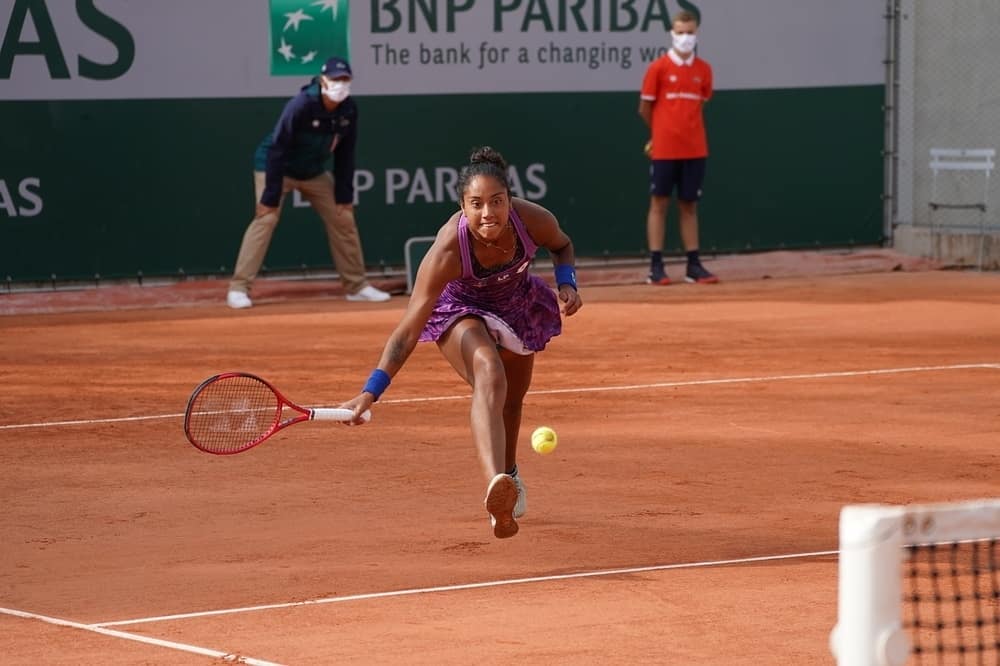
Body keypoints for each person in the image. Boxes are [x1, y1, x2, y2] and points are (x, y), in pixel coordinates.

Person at [338, 147, 583, 539]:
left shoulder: (533, 220)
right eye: (477, 204)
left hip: (516, 304)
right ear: (463, 207)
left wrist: (568, 281)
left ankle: (509, 473)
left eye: (497, 202)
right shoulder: (448, 250)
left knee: (512, 402)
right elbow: (407, 329)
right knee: (490, 371)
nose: (488, 213)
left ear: (510, 200)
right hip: (461, 309)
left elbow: (562, 245)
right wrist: (371, 391)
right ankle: (496, 488)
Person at [226, 56, 390, 309]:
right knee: (266, 218)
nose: (340, 84)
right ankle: (238, 288)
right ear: (323, 80)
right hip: (276, 168)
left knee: (343, 217)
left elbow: (346, 155)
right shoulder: (300, 105)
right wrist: (270, 195)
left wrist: (344, 197)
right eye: (335, 79)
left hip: (312, 172)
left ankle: (356, 286)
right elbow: (278, 147)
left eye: (345, 79)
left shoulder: (349, 109)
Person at [639, 10, 718, 285]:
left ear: (697, 34)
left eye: (690, 32)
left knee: (689, 205)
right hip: (664, 150)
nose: (686, 37)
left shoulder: (704, 70)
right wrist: (659, 135)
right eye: (681, 32)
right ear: (673, 34)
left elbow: (701, 103)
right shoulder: (658, 68)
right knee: (659, 203)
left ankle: (693, 266)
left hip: (696, 148)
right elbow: (645, 108)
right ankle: (655, 267)